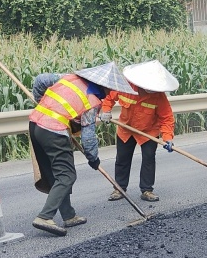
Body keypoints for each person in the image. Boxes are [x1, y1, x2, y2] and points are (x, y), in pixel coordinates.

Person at [28, 62, 136, 236]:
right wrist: (93, 158)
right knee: (67, 175)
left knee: (59, 173)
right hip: (53, 131)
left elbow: (41, 79)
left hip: (35, 124)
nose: (110, 93)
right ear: (104, 86)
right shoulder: (92, 102)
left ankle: (69, 215)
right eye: (110, 89)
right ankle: (44, 216)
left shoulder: (68, 77)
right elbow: (88, 136)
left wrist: (41, 100)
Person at [100, 60, 178, 203]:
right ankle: (119, 188)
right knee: (122, 160)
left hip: (148, 132)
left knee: (148, 159)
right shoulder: (126, 86)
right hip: (126, 129)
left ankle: (147, 190)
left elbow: (166, 118)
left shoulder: (159, 96)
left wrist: (167, 138)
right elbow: (108, 97)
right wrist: (105, 111)